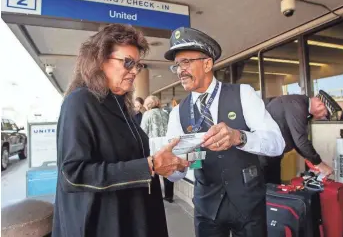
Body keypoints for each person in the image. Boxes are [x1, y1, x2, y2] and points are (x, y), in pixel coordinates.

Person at [52, 24, 189, 237]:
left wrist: (164, 163)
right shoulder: (80, 102)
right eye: (127, 62)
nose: (134, 71)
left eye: (137, 65)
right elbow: (72, 174)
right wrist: (149, 165)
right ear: (99, 60)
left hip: (134, 219)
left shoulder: (121, 107)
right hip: (104, 225)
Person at [164, 27, 285, 237]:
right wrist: (171, 168)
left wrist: (240, 137)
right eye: (176, 65)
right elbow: (177, 173)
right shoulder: (177, 113)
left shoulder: (244, 94)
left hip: (249, 205)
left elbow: (277, 144)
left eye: (186, 62)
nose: (180, 70)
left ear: (208, 63)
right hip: (206, 207)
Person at [262, 94, 335, 184]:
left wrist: (311, 159)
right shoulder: (297, 105)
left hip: (272, 153)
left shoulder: (300, 106)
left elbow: (296, 140)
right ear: (320, 105)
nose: (322, 117)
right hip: (265, 154)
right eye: (325, 114)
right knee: (269, 188)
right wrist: (320, 164)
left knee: (274, 187)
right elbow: (300, 141)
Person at [140, 95, 174, 203]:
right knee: (167, 170)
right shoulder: (165, 113)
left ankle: (156, 195)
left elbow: (143, 131)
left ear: (148, 105)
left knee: (154, 170)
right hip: (166, 145)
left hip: (153, 146)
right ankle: (169, 195)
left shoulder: (147, 114)